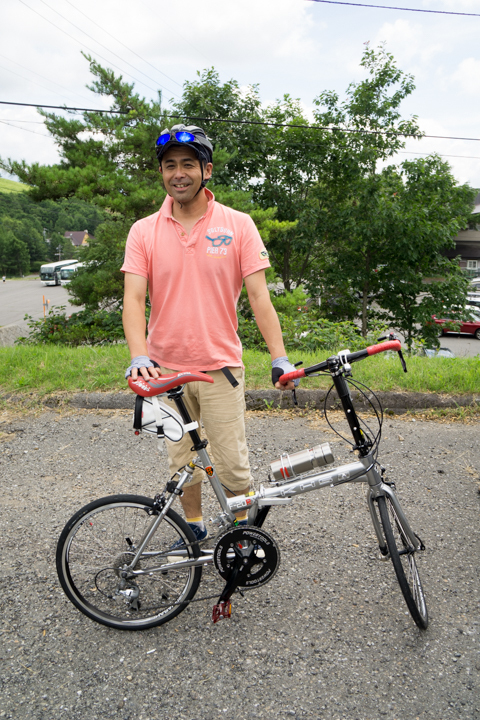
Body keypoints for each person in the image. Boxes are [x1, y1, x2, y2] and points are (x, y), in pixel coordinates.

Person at [122, 124, 298, 542]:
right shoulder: (143, 230)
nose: (178, 173)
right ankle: (195, 531)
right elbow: (133, 300)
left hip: (221, 367)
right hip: (165, 370)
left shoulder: (238, 225)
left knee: (233, 463)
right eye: (169, 166)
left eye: (187, 164)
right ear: (162, 173)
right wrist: (138, 355)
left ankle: (240, 537)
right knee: (182, 464)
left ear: (207, 170)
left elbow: (259, 297)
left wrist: (279, 357)